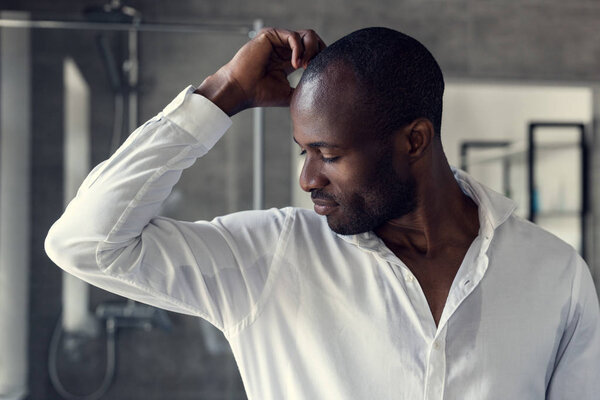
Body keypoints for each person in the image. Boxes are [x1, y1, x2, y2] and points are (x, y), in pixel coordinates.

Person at [45, 27, 600, 399]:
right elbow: (85, 242)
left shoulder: (554, 274)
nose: (308, 179)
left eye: (328, 155)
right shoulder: (266, 259)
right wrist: (223, 93)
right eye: (303, 152)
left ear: (414, 141)